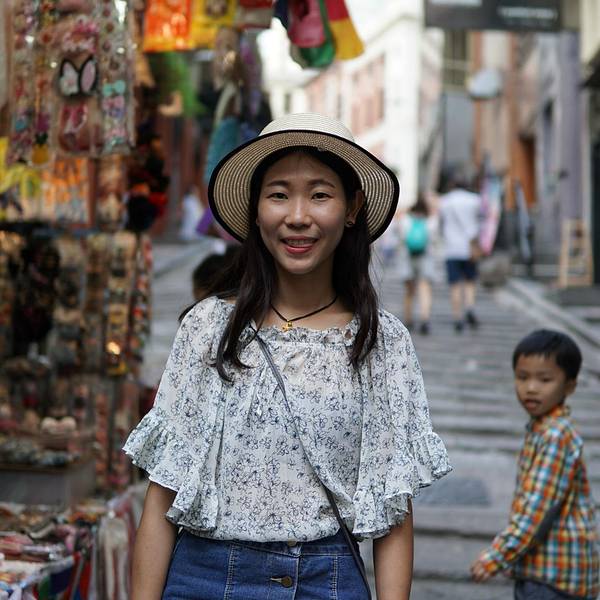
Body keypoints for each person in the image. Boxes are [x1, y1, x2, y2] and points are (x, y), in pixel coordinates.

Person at [124, 113, 451, 600]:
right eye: (278, 194)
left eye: (319, 195)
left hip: (325, 581)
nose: (298, 216)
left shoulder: (382, 343)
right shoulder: (208, 328)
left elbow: (393, 515)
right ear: (256, 210)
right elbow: (163, 494)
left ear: (352, 208)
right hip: (203, 579)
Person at [471, 330, 599, 599]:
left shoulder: (555, 436)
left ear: (570, 386)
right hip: (550, 574)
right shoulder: (544, 430)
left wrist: (496, 557)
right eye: (522, 377)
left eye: (545, 379)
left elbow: (537, 511)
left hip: (552, 578)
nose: (531, 388)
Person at [438, 171, 482, 332]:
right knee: (470, 282)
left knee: (455, 285)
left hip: (451, 248)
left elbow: (441, 225)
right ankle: (470, 307)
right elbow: (481, 220)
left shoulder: (444, 201)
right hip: (469, 248)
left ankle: (457, 318)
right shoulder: (475, 200)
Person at [397, 193, 437, 335]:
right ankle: (424, 318)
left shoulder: (406, 220)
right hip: (425, 257)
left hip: (407, 257)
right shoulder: (430, 221)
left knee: (409, 290)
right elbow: (433, 238)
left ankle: (408, 319)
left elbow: (401, 237)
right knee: (424, 288)